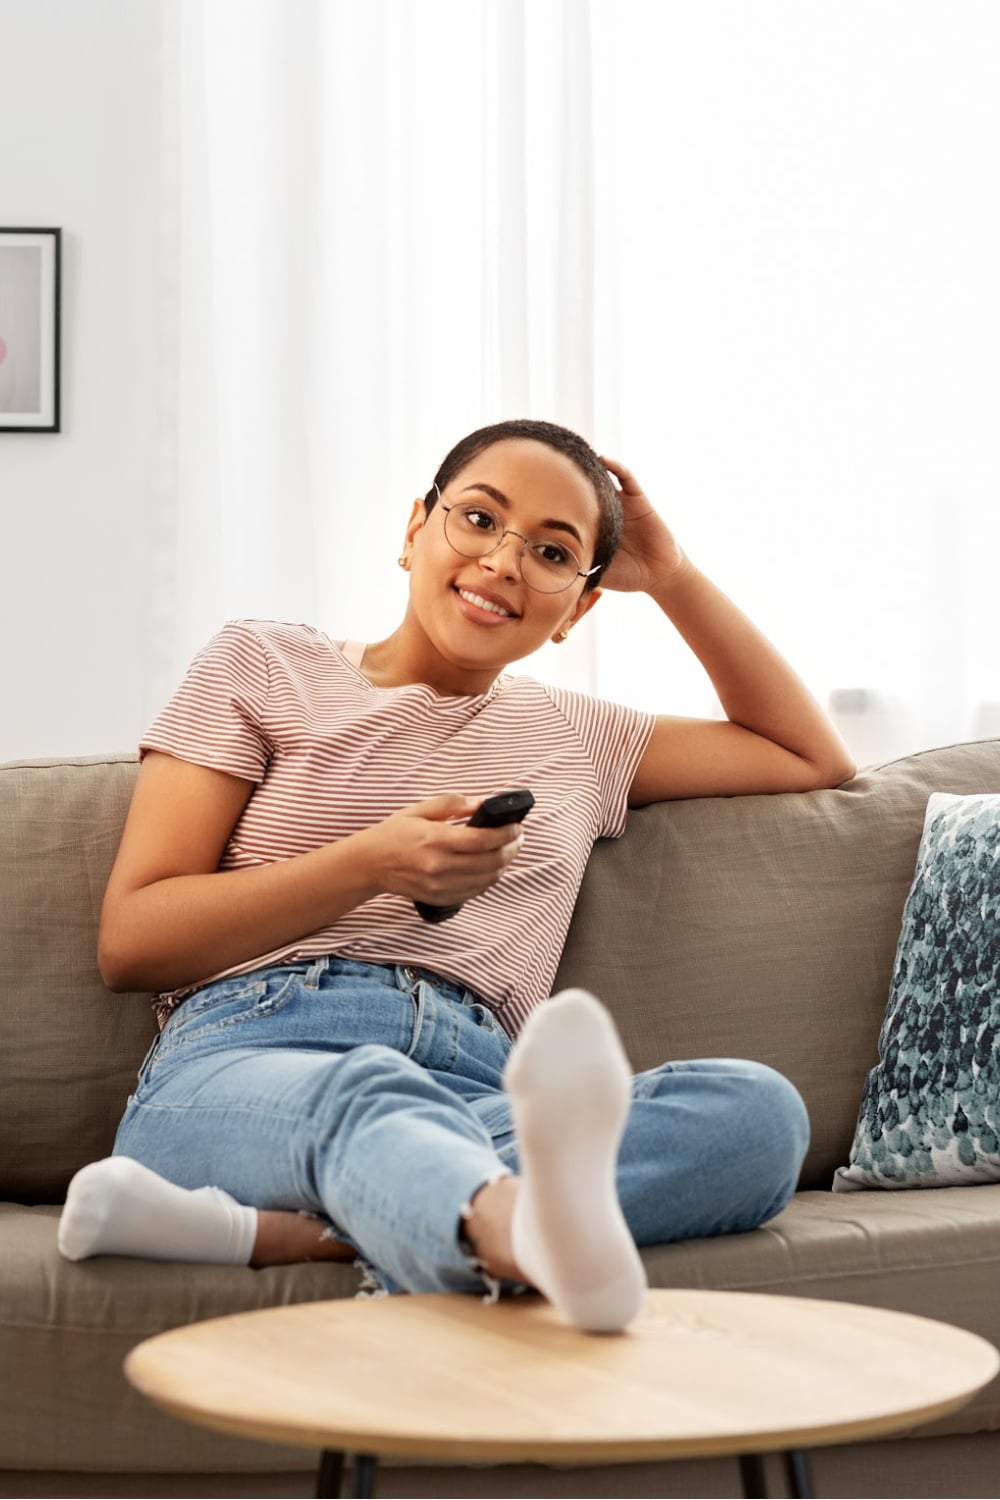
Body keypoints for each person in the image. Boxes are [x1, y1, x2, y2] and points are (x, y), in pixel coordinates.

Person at [58, 419, 854, 1333]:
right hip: (249, 1060)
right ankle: (524, 1235)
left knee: (755, 1115)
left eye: (554, 552)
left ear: (579, 609)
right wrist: (371, 863)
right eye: (479, 518)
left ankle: (302, 1234)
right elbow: (133, 941)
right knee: (364, 1093)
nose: (506, 561)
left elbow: (809, 755)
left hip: (477, 1085)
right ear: (413, 530)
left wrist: (671, 578)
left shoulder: (580, 737)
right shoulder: (263, 663)